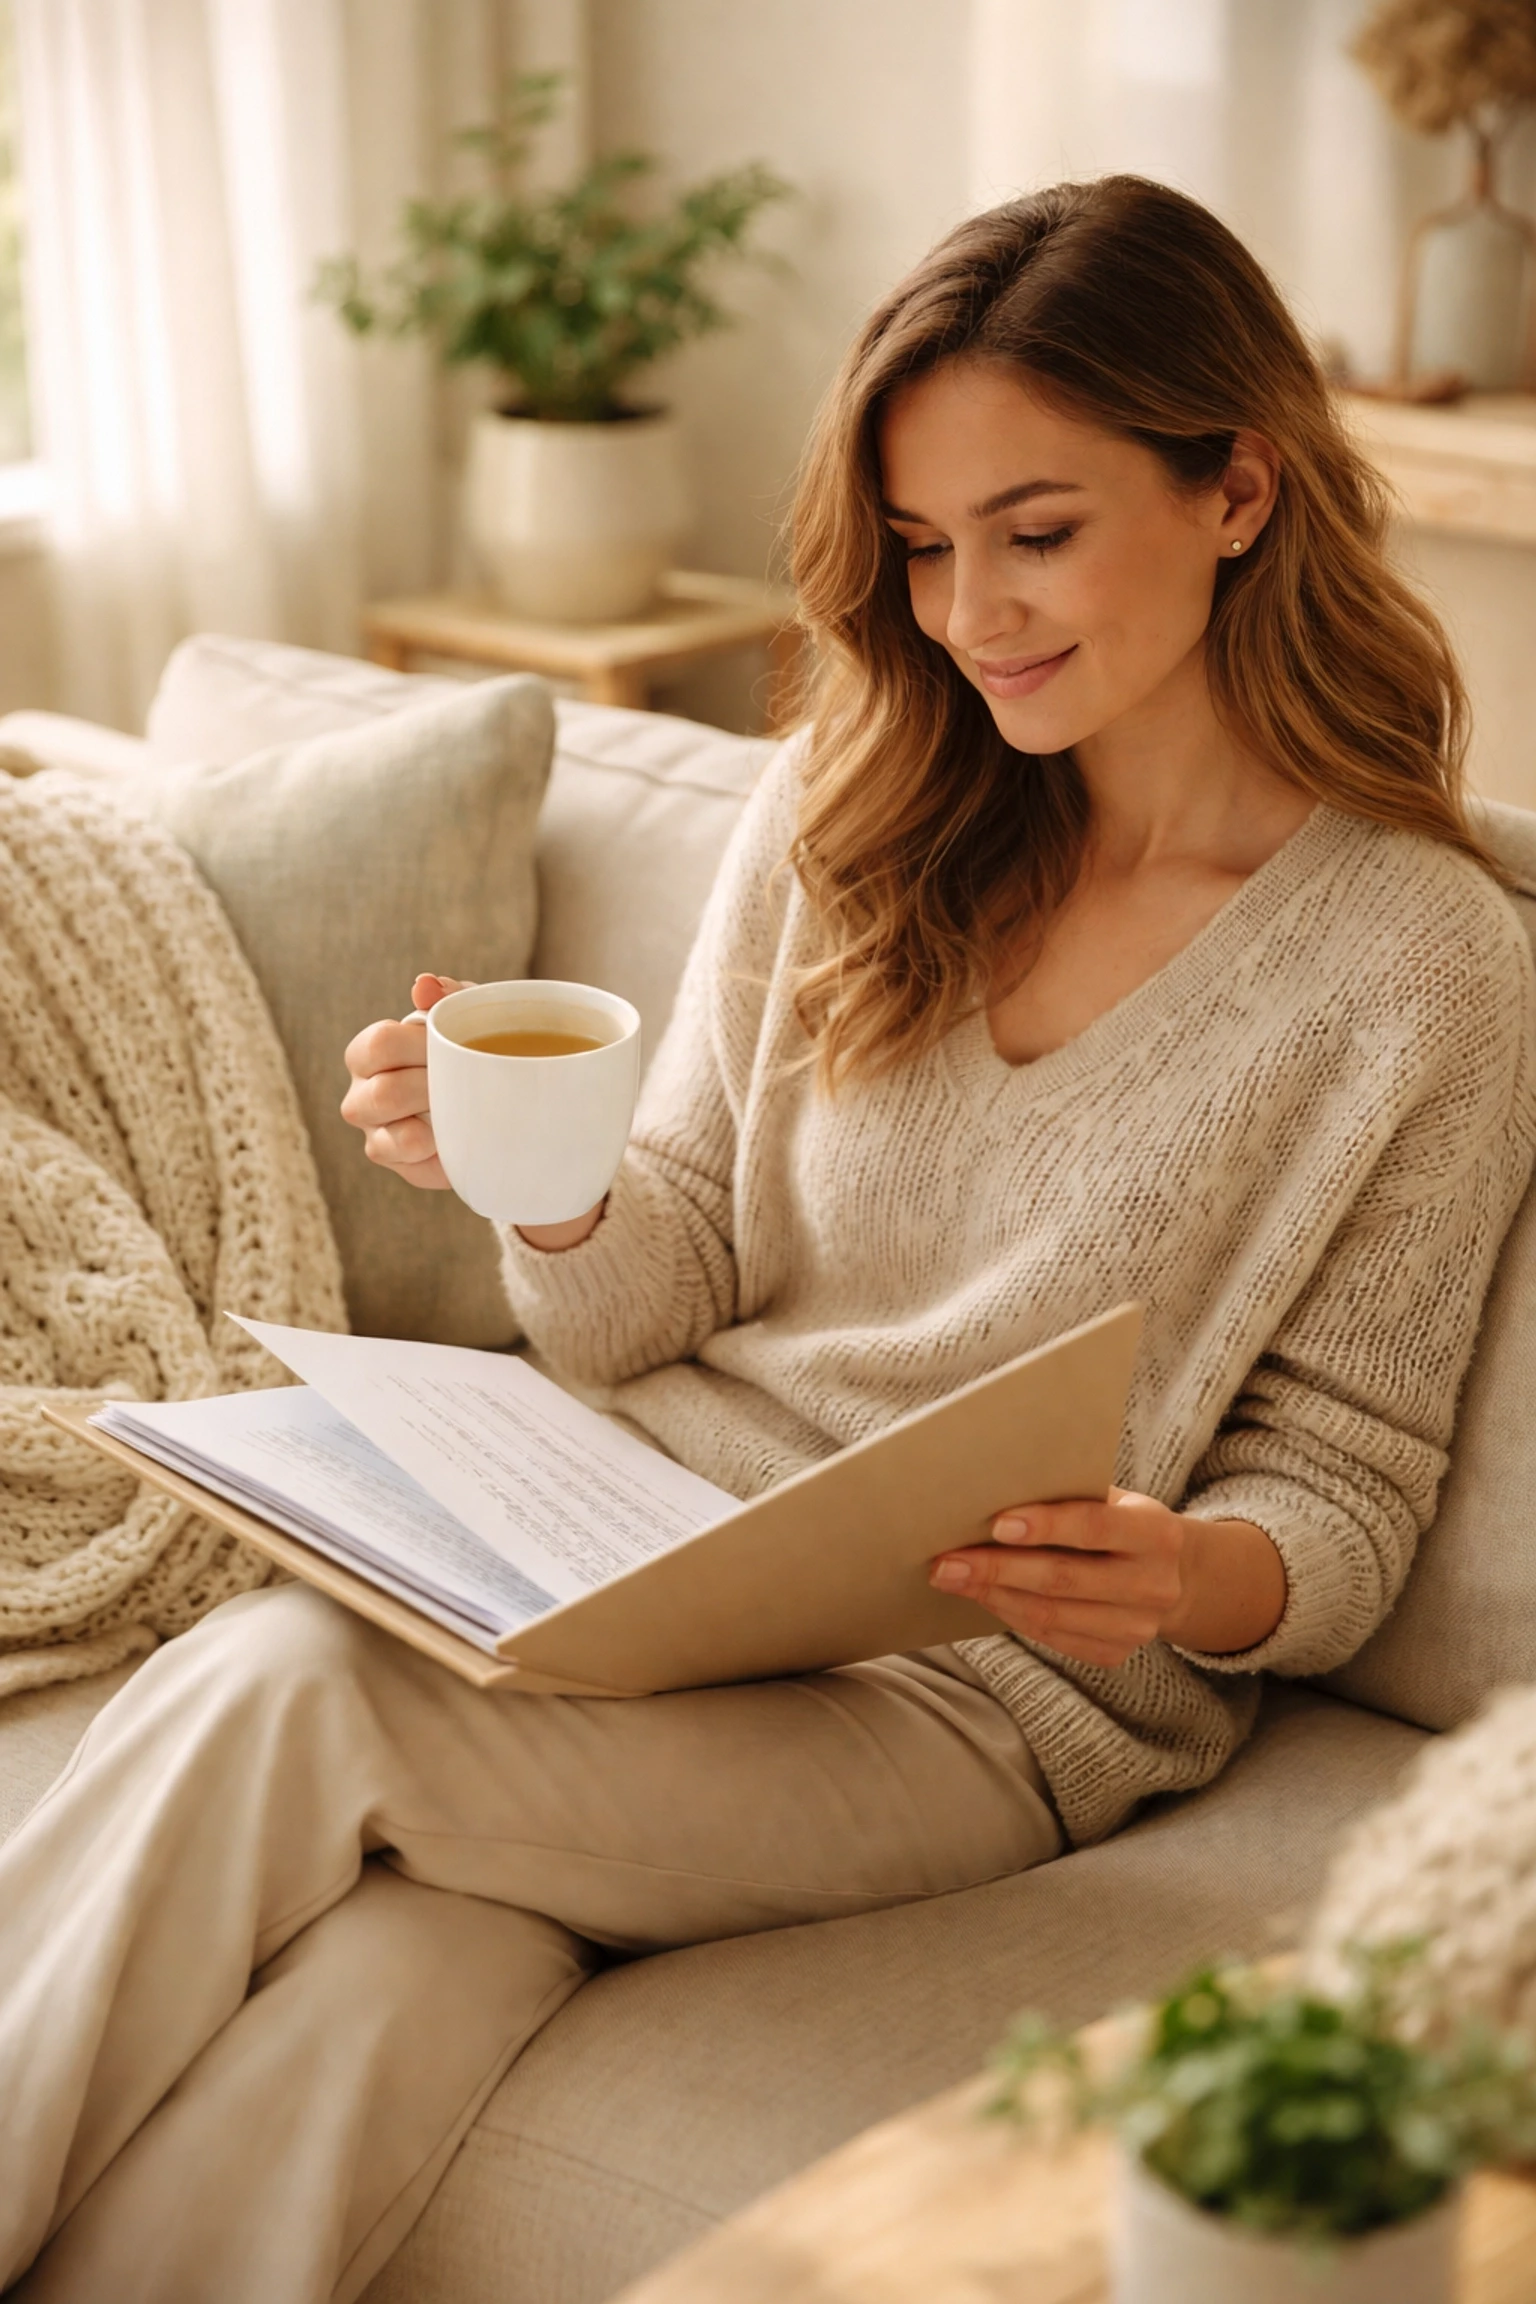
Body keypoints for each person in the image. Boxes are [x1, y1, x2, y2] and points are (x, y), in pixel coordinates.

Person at [2, 175, 1532, 2304]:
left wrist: (1193, 1571)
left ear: (1239, 488)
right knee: (408, 1967)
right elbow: (672, 1271)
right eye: (921, 547)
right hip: (620, 1556)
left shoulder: (1426, 965)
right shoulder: (854, 799)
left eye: (1037, 529)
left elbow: (1353, 1481)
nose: (969, 611)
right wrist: (539, 1184)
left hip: (969, 1702)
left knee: (286, 1684)